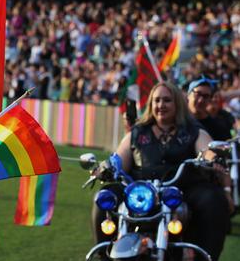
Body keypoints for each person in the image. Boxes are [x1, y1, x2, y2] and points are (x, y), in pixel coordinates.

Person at [92, 81, 230, 260]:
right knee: (105, 196)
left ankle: (205, 256)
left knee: (213, 198)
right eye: (156, 100)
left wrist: (213, 158)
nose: (161, 105)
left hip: (182, 190)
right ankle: (104, 253)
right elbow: (118, 159)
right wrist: (105, 167)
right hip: (141, 191)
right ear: (150, 104)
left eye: (167, 100)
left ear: (177, 104)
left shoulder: (193, 131)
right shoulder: (137, 133)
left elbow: (207, 149)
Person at [187, 76, 234, 141]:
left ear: (209, 100)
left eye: (206, 96)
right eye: (197, 94)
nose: (201, 100)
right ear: (188, 95)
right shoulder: (177, 121)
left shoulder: (218, 128)